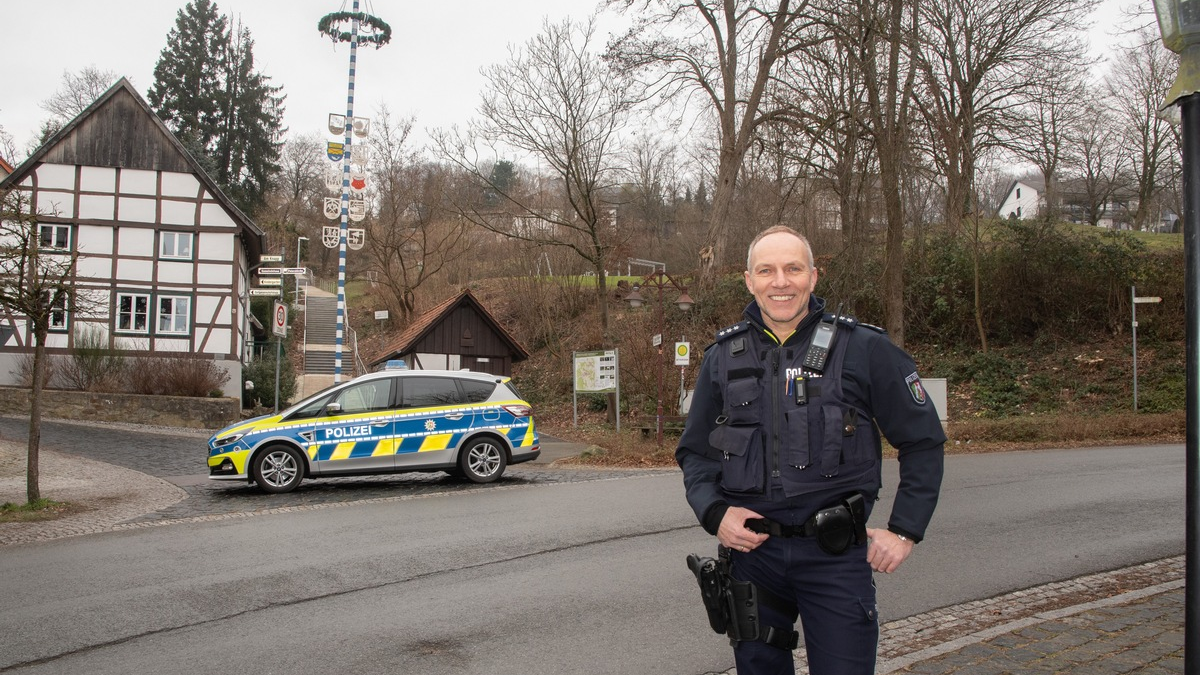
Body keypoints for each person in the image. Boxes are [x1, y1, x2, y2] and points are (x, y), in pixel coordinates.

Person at [677, 225, 945, 675]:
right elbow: (696, 453)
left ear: (813, 276)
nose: (780, 282)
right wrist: (715, 513)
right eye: (767, 270)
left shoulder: (865, 349)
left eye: (793, 269)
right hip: (752, 557)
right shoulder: (722, 357)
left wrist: (905, 531)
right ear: (749, 280)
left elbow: (923, 440)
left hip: (835, 558)